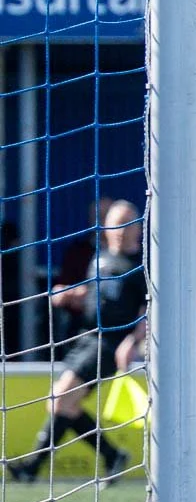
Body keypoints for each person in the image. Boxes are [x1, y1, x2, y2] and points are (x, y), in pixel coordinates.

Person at [6, 199, 144, 482]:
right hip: (85, 336)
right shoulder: (100, 258)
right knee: (62, 405)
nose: (120, 230)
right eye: (115, 224)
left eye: (126, 224)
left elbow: (147, 312)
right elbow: (96, 295)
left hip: (110, 342)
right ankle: (111, 456)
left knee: (60, 400)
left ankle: (32, 468)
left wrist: (132, 341)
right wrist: (70, 294)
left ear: (138, 229)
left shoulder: (140, 265)